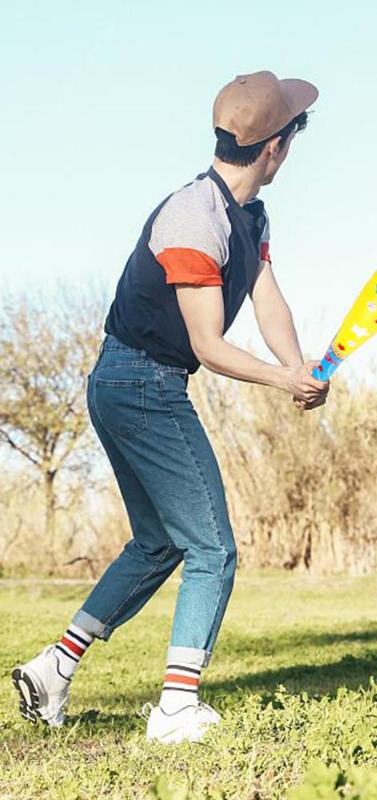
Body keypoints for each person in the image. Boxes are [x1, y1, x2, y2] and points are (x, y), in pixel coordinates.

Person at [11, 71, 329, 743]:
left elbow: (266, 297)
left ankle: (52, 669)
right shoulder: (194, 216)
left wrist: (298, 366)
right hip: (140, 384)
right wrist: (281, 382)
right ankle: (177, 709)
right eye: (295, 132)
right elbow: (209, 345)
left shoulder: (249, 217)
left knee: (159, 543)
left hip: (133, 383)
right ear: (274, 147)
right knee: (213, 547)